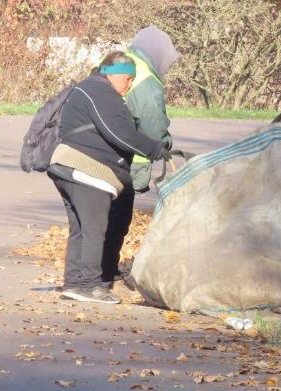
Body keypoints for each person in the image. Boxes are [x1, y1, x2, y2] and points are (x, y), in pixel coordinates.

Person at [48, 51, 166, 304]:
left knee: (80, 229)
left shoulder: (87, 88)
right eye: (127, 79)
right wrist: (154, 148)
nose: (130, 85)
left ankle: (74, 283)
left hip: (67, 167)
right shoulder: (102, 93)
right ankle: (90, 285)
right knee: (94, 230)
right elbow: (119, 133)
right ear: (113, 75)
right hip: (88, 171)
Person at [101, 25, 180, 286]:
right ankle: (105, 270)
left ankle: (103, 267)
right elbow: (152, 127)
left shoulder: (125, 60)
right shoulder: (146, 80)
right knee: (119, 215)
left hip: (104, 149)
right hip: (125, 159)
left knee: (104, 213)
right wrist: (165, 144)